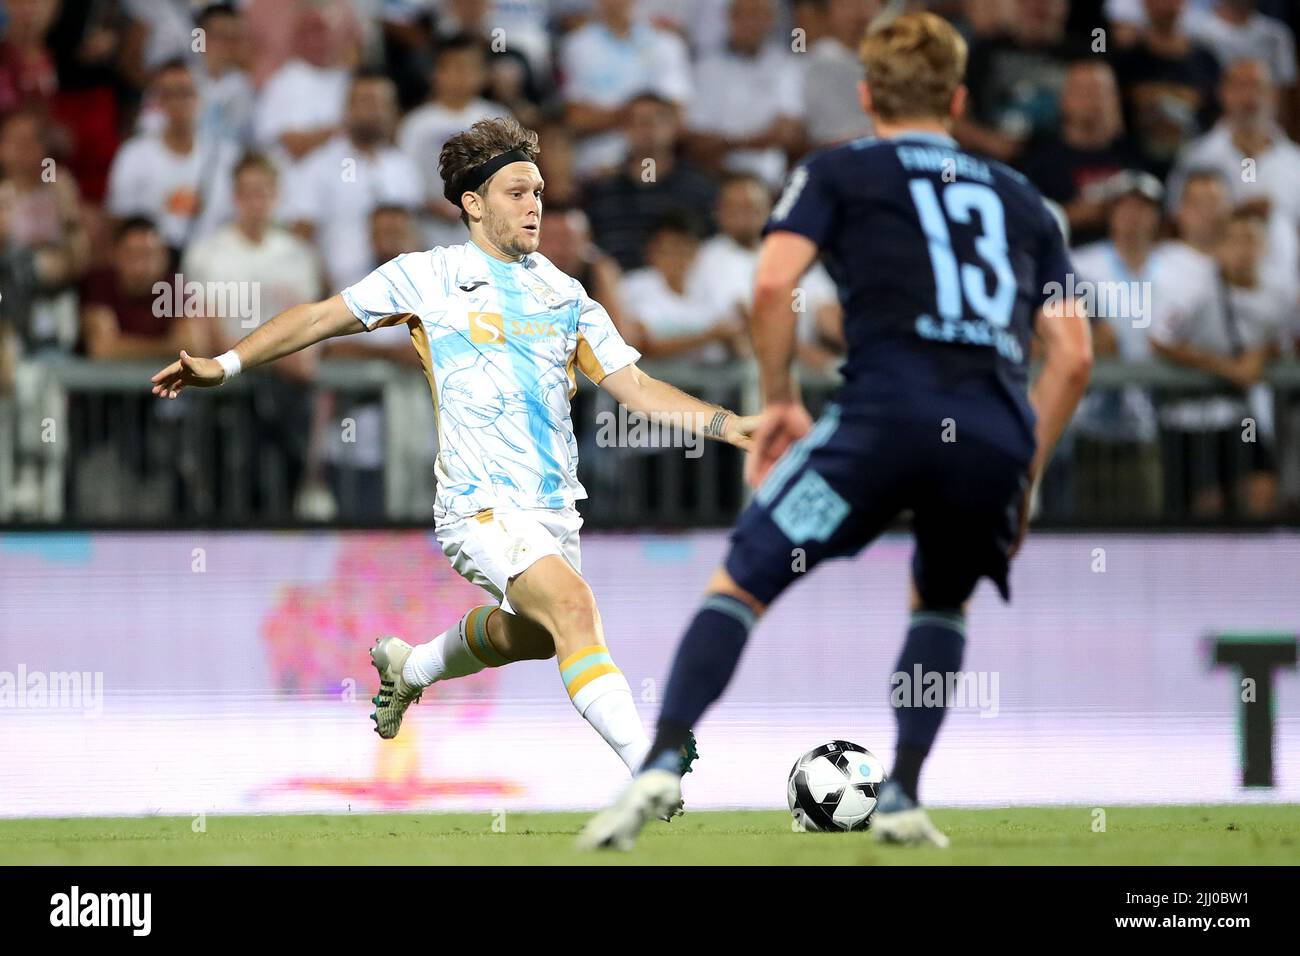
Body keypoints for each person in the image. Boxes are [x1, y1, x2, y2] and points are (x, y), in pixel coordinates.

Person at [579, 11, 1092, 851]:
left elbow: (770, 282)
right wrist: (1023, 472)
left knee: (743, 579)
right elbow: (1072, 357)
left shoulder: (842, 170)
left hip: (881, 424)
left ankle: (661, 764)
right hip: (993, 436)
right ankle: (904, 794)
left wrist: (779, 395)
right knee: (940, 599)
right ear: (959, 98)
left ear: (865, 95)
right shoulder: (1024, 197)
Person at [149, 116, 759, 812]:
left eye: (540, 192)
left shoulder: (565, 295)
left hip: (552, 510)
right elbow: (319, 318)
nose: (535, 205)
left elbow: (637, 388)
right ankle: (653, 768)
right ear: (474, 202)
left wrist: (727, 423)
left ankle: (414, 665)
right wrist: (223, 366)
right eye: (518, 191)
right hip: (478, 506)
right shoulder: (427, 276)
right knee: (573, 607)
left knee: (533, 635)